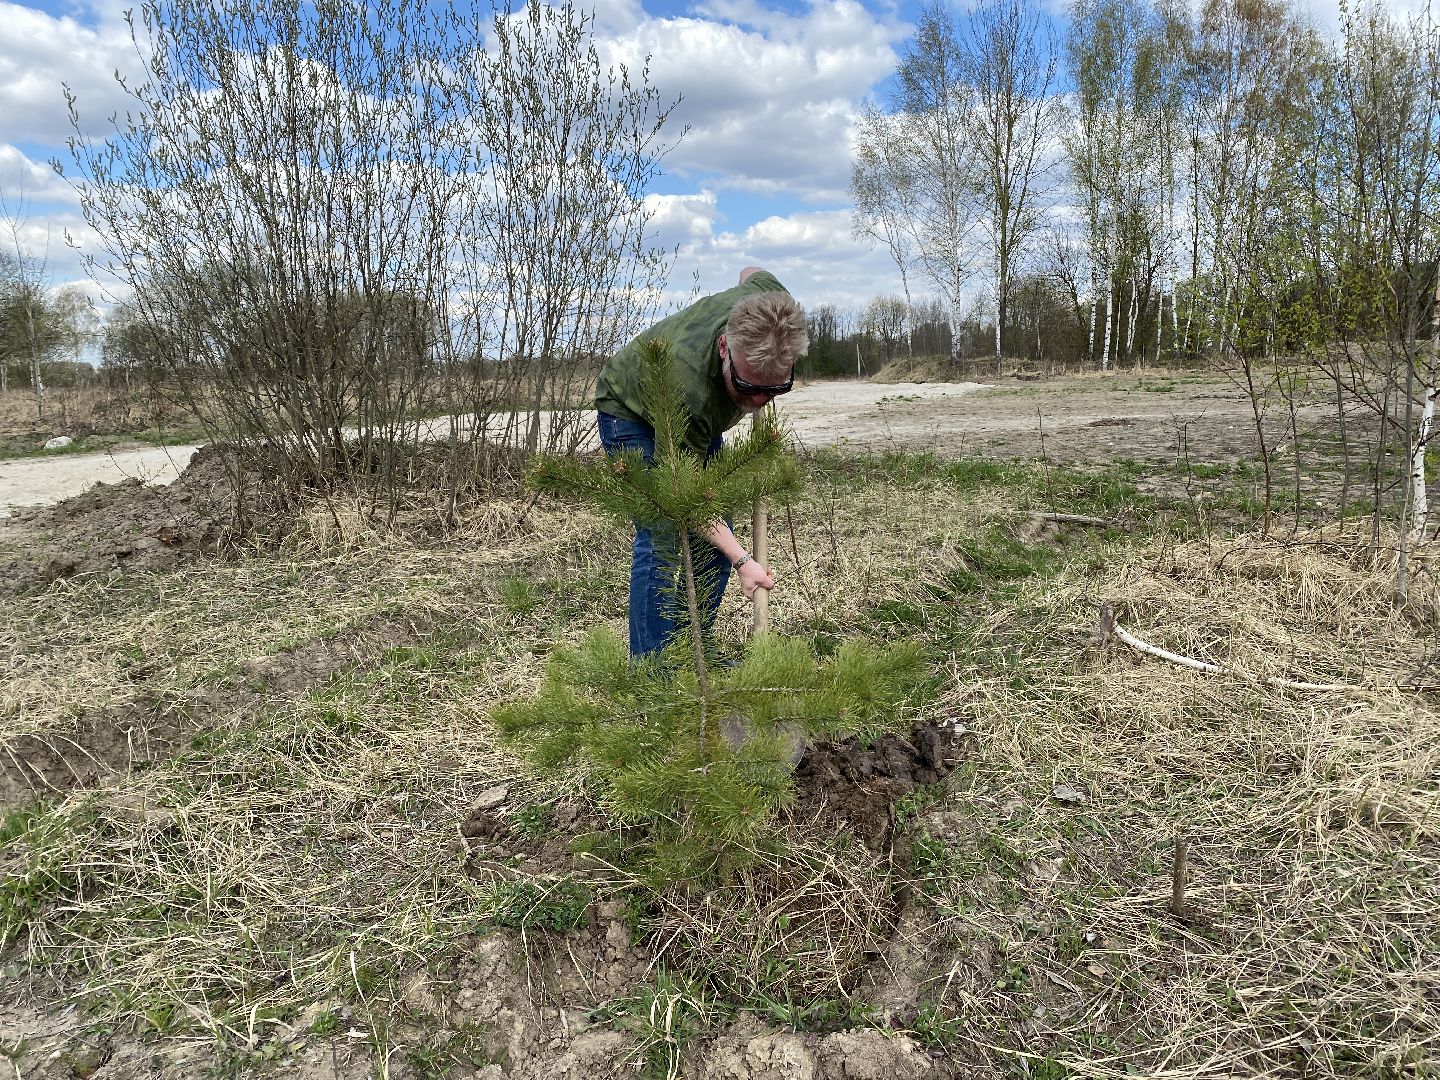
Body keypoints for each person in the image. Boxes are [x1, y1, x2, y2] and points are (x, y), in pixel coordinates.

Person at [595, 266, 808, 657]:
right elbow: (684, 496)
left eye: (776, 389)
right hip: (632, 410)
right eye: (747, 387)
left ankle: (688, 652)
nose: (760, 401)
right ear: (725, 348)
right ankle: (653, 670)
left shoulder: (774, 308)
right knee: (661, 532)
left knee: (716, 538)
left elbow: (752, 272)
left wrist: (733, 552)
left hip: (697, 423)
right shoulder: (688, 387)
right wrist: (744, 560)